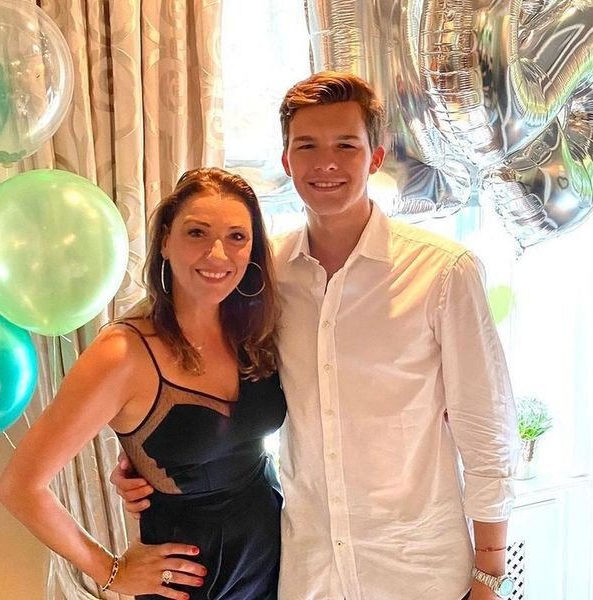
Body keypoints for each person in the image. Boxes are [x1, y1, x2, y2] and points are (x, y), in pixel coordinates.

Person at [114, 73, 519, 600]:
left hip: (417, 567)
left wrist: (489, 575)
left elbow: (486, 429)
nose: (325, 163)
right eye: (307, 146)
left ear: (374, 157)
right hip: (308, 568)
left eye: (345, 145)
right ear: (287, 161)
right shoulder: (264, 272)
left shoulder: (442, 273)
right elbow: (189, 347)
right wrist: (145, 456)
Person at [0, 167, 286, 600]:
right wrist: (110, 572)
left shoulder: (254, 327)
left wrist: (142, 458)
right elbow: (19, 486)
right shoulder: (123, 353)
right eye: (197, 233)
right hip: (191, 578)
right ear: (165, 241)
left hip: (273, 552)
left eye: (237, 237)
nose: (218, 254)